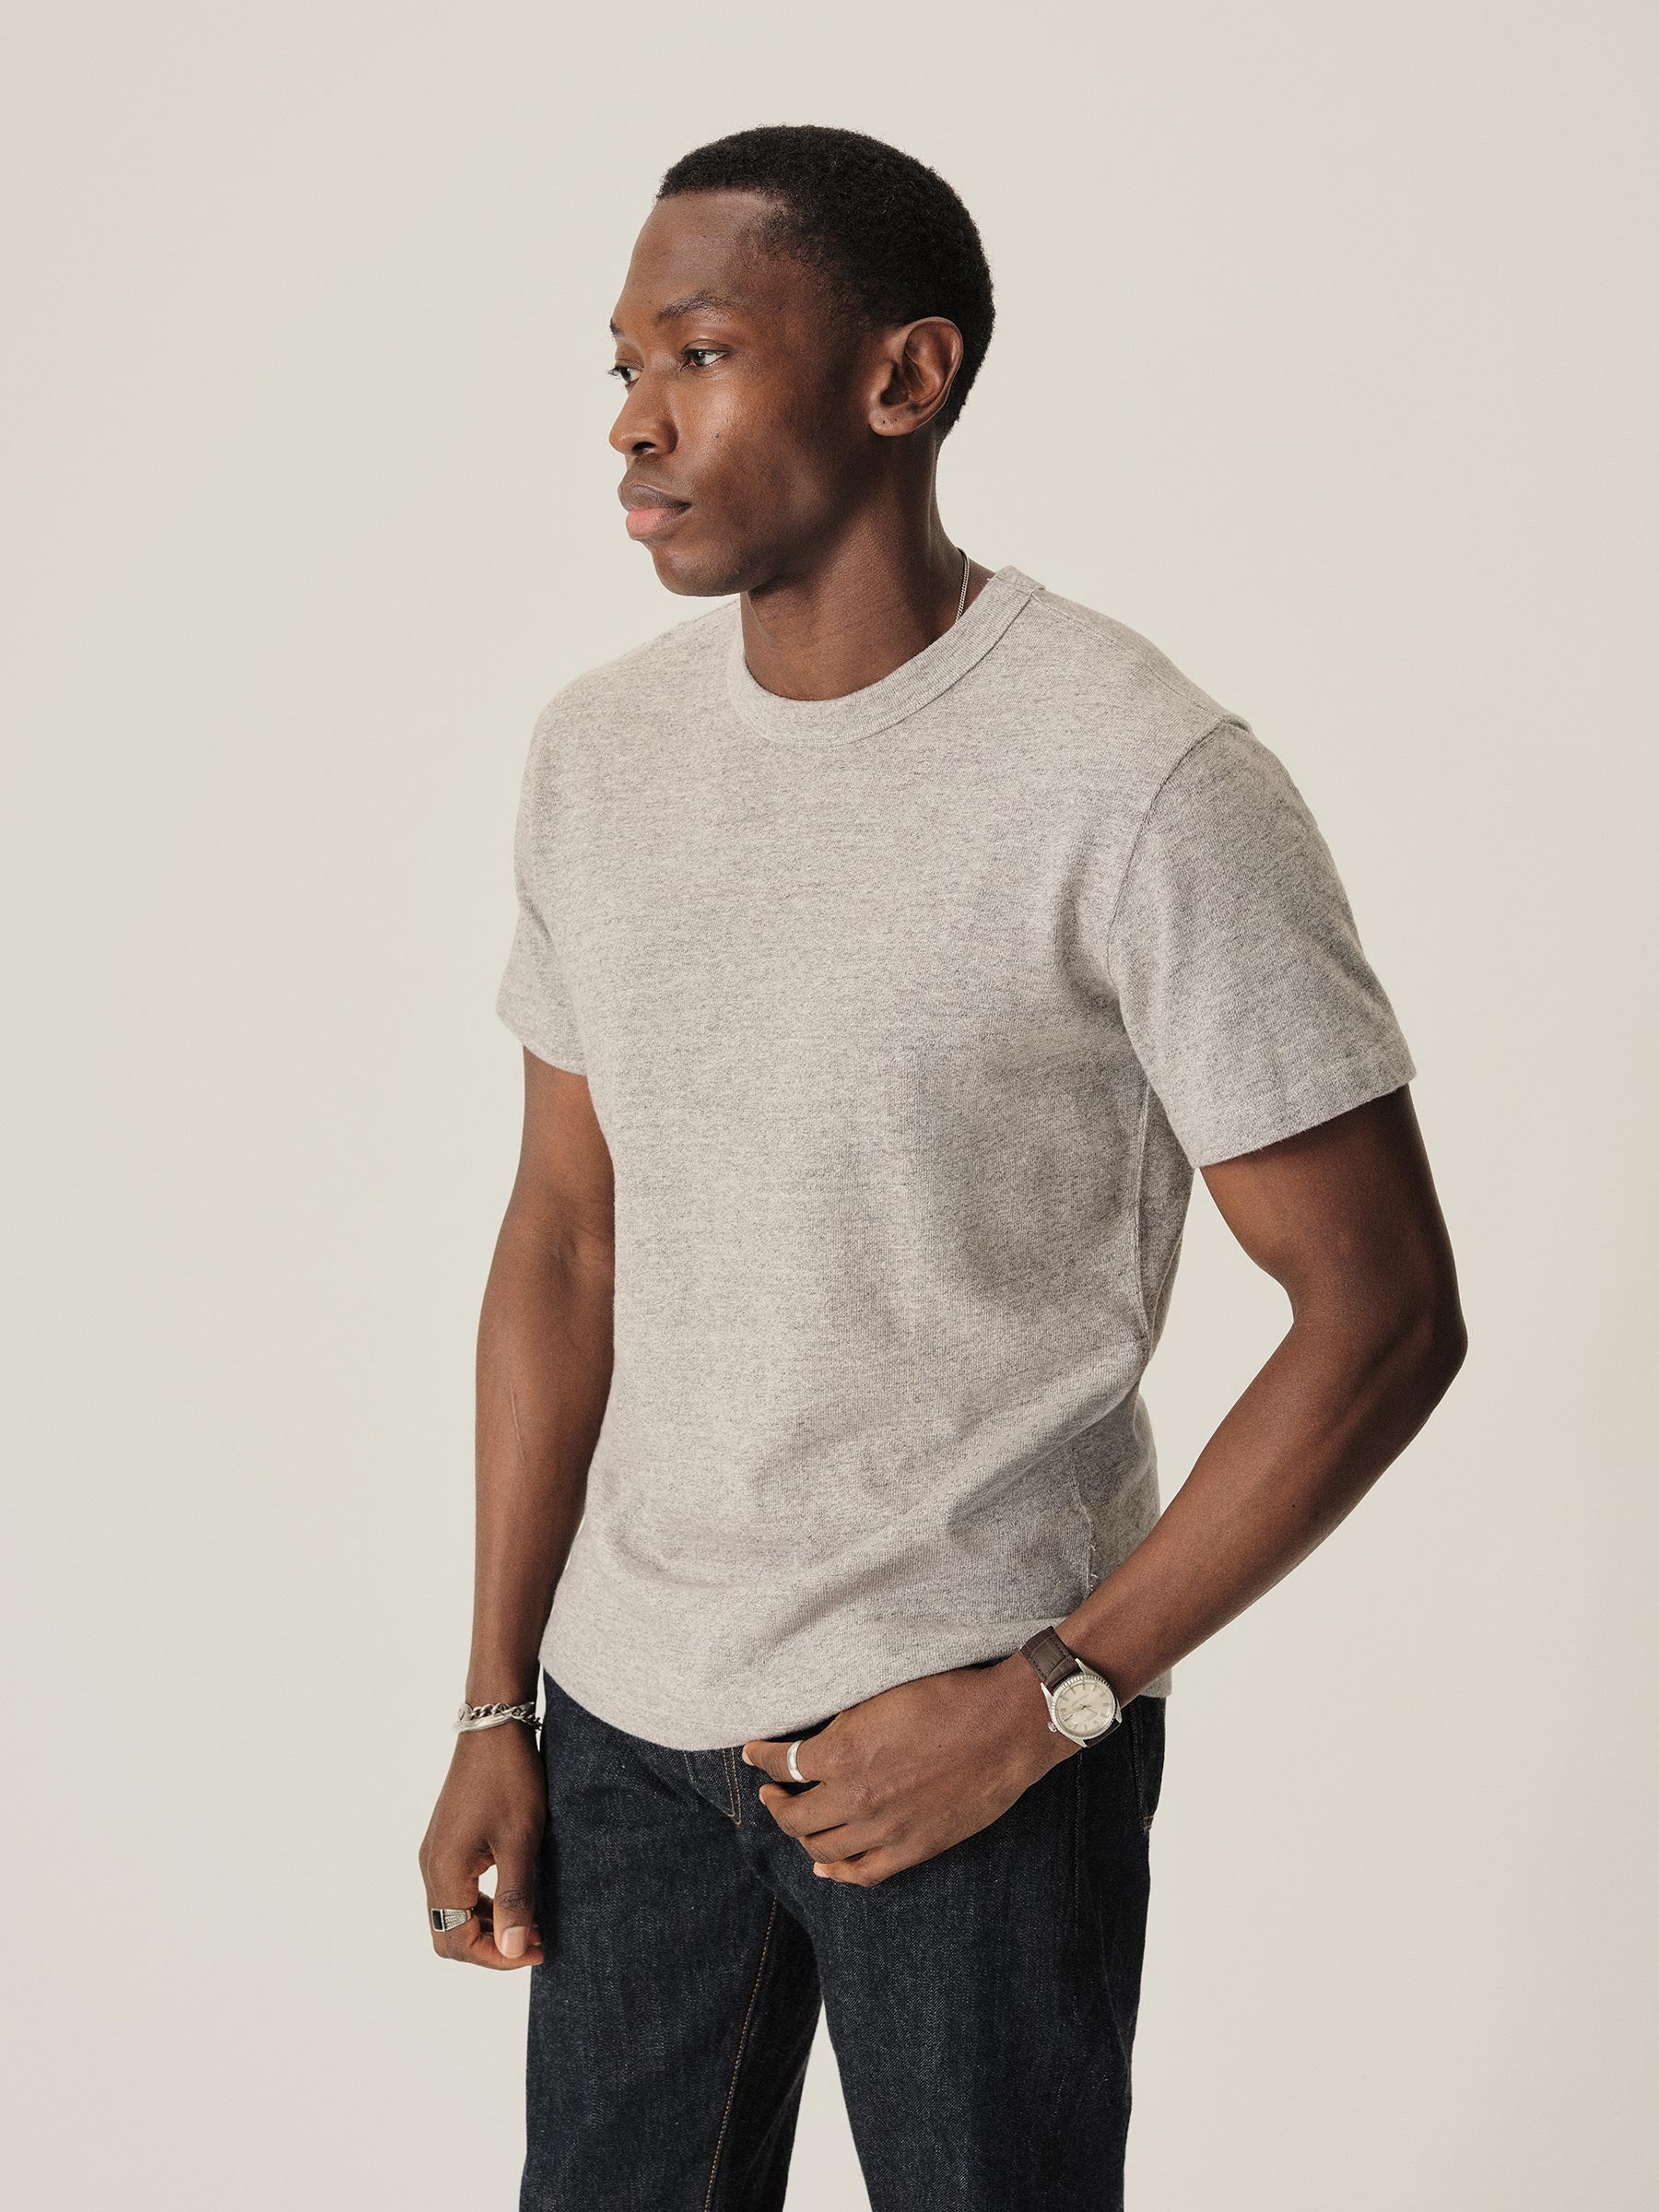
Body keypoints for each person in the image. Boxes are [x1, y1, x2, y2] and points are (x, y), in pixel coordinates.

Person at [418, 124, 1467, 2212]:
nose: (632, 424)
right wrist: (489, 1705)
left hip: (968, 1744)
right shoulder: (598, 756)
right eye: (621, 366)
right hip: (623, 1735)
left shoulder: (1140, 778)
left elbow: (1383, 1313)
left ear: (905, 377)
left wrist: (1051, 1705)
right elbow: (566, 1238)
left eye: (700, 354)